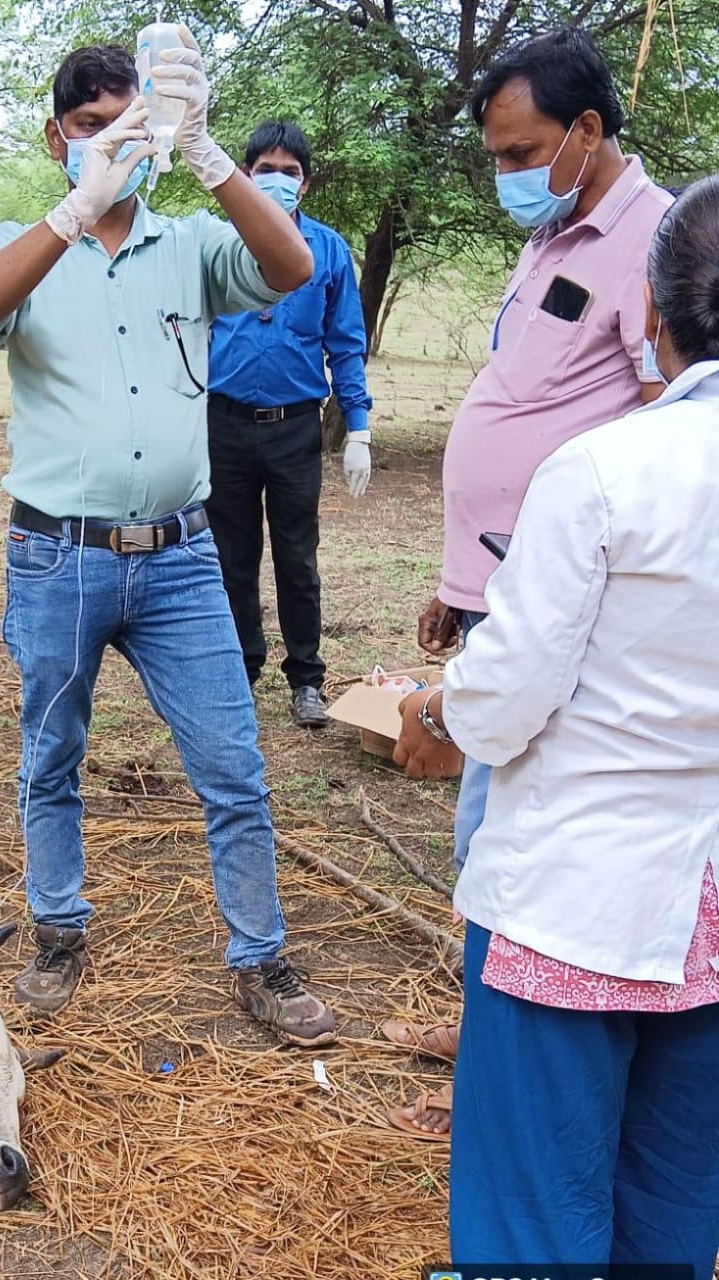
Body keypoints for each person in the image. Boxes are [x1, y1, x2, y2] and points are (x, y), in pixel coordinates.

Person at [0, 37, 336, 1045]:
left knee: (235, 766)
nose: (111, 152)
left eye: (130, 131)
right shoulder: (18, 241)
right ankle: (58, 928)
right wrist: (73, 210)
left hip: (181, 557)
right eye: (89, 132)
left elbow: (290, 266)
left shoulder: (194, 244)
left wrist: (209, 156)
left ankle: (260, 956)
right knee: (51, 754)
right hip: (56, 556)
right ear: (56, 139)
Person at [393, 174, 719, 1278]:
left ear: (658, 316)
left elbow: (514, 688)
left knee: (533, 1211)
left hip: (578, 900)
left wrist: (440, 704)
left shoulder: (608, 468)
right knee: (674, 1191)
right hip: (709, 909)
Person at [388, 27, 672, 1141]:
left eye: (524, 150)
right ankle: (484, 1029)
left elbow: (665, 430)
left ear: (590, 130)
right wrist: (463, 580)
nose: (508, 175)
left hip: (576, 613)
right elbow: (526, 404)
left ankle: (499, 1079)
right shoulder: (555, 231)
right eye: (497, 156)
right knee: (489, 841)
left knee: (502, 848)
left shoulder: (653, 243)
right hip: (506, 593)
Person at [205, 120, 372, 728]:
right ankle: (241, 671)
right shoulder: (219, 245)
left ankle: (306, 677)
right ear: (245, 176)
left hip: (295, 428)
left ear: (306, 183)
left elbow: (346, 343)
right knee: (232, 557)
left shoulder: (328, 251)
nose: (276, 180)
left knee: (297, 558)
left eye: (290, 171)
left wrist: (358, 428)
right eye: (265, 170)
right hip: (221, 424)